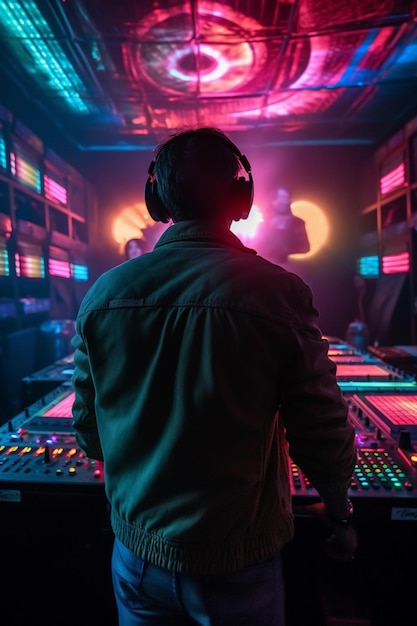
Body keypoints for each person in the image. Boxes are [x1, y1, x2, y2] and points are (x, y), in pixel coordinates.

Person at [71, 127, 357, 626]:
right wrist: (339, 514)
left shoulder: (102, 295)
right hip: (237, 563)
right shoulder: (279, 294)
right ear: (241, 197)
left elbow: (90, 432)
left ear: (156, 198)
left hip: (136, 555)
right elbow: (321, 427)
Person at [259, 186, 310, 264]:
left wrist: (286, 249)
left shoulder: (298, 223)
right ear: (273, 201)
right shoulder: (263, 224)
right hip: (267, 266)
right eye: (280, 198)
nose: (283, 201)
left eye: (285, 198)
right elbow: (258, 247)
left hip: (291, 267)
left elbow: (305, 247)